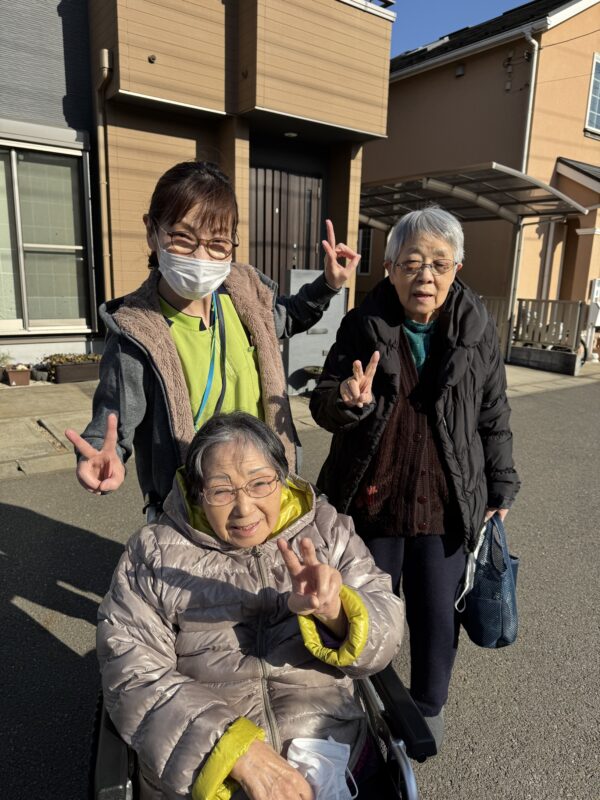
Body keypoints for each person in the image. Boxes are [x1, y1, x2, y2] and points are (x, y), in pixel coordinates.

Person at [97, 412, 404, 800]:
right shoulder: (153, 554)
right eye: (221, 491)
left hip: (333, 748)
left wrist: (335, 612)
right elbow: (131, 672)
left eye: (260, 483)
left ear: (283, 479)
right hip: (212, 771)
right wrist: (232, 750)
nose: (244, 508)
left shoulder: (327, 531)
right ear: (197, 493)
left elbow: (387, 630)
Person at [309, 205, 520, 749]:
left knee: (435, 616)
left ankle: (427, 707)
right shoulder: (362, 324)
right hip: (372, 498)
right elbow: (324, 401)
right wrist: (346, 398)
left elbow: (493, 413)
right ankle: (360, 701)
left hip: (444, 504)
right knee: (363, 610)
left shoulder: (477, 329)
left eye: (439, 264)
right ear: (389, 268)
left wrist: (501, 484)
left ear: (456, 270)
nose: (425, 276)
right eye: (412, 263)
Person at [65, 160, 359, 505]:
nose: (201, 256)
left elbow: (288, 316)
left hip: (265, 486)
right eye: (182, 237)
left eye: (218, 242)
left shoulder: (245, 300)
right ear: (152, 231)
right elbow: (114, 416)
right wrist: (102, 453)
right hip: (195, 504)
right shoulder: (136, 332)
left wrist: (328, 284)